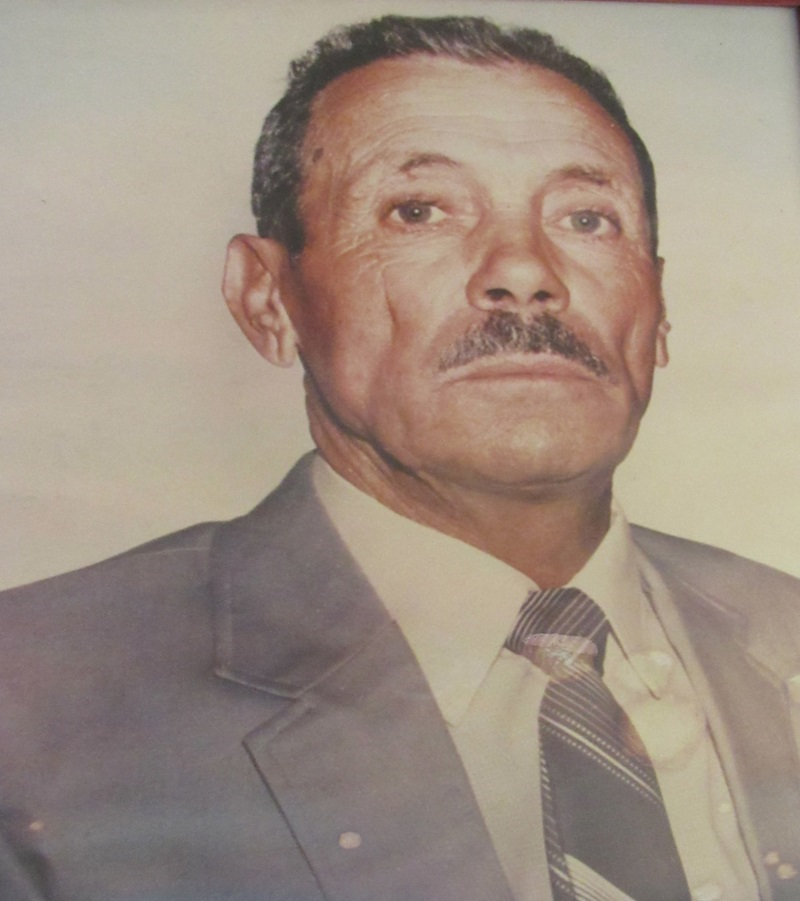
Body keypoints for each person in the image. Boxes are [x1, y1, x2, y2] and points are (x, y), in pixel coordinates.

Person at [1, 13, 799, 901]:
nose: (524, 270)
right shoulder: (34, 703)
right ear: (268, 300)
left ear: (659, 305)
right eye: (418, 211)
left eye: (586, 218)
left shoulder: (785, 630)